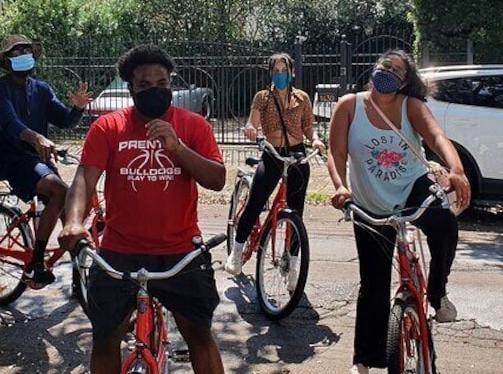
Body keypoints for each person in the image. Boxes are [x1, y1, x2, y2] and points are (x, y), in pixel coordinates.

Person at [58, 45, 226, 374]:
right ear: (131, 88)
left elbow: (217, 179)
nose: (155, 89)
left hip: (181, 252)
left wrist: (177, 147)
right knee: (105, 338)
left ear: (171, 86)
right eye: (145, 84)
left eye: (162, 83)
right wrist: (73, 221)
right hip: (119, 251)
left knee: (199, 335)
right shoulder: (108, 128)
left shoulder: (193, 125)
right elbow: (84, 179)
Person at [327, 49, 471, 374]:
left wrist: (456, 169)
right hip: (368, 203)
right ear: (374, 69)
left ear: (405, 82)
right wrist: (339, 186)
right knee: (373, 285)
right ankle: (364, 360)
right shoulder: (349, 106)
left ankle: (437, 293)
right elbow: (336, 153)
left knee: (445, 226)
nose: (387, 71)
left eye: (396, 70)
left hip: (412, 191)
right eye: (384, 65)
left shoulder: (411, 107)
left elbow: (436, 137)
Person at [0, 34, 91, 288]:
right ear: (8, 61)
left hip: (40, 161)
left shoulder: (41, 89)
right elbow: (9, 123)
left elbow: (64, 120)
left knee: (71, 214)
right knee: (60, 190)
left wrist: (77, 108)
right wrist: (36, 138)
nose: (24, 55)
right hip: (14, 161)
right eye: (17, 52)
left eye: (27, 51)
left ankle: (80, 281)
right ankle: (35, 263)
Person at [225, 52, 325, 282]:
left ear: (292, 72)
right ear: (271, 73)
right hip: (272, 154)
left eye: (284, 70)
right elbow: (253, 121)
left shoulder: (302, 98)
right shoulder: (263, 97)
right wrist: (250, 129)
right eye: (276, 71)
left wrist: (316, 140)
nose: (280, 75)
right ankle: (237, 250)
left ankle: (292, 263)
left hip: (296, 154)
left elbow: (308, 127)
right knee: (256, 201)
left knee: (296, 213)